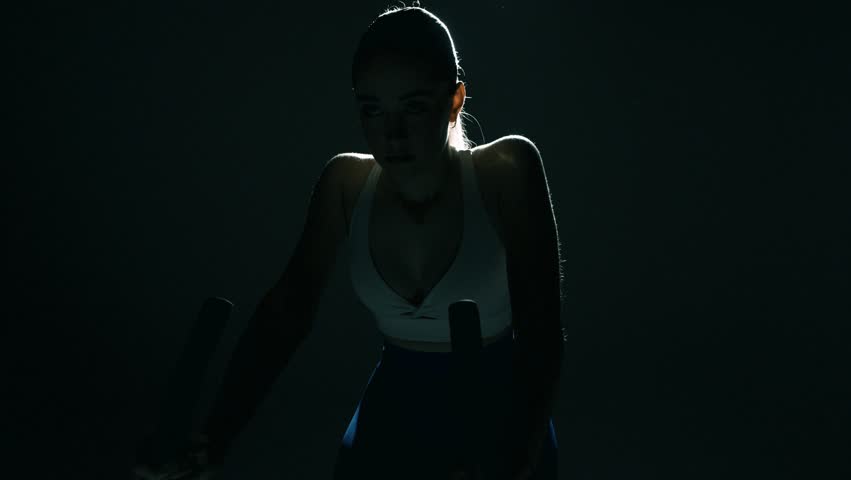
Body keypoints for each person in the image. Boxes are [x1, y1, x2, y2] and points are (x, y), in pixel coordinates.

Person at [134, 3, 564, 480]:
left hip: (502, 413)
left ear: (456, 100)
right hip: (393, 417)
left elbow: (542, 332)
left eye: (414, 106)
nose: (391, 132)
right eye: (371, 109)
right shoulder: (346, 182)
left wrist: (516, 458)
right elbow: (287, 313)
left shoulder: (508, 170)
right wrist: (213, 440)